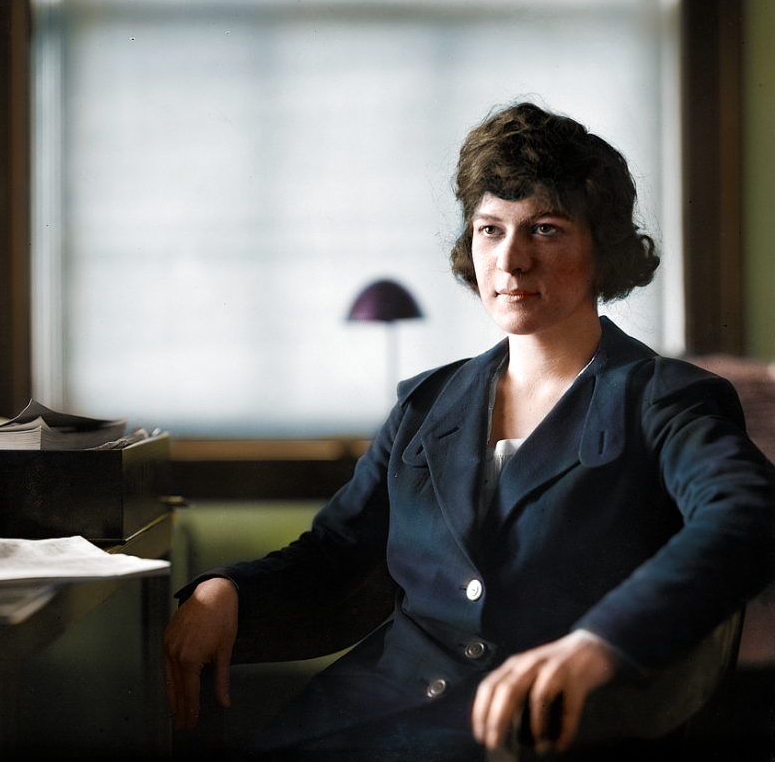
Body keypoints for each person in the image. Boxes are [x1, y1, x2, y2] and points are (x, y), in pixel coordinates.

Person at [163, 102, 775, 760]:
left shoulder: (666, 398)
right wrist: (228, 589)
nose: (510, 261)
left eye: (544, 229)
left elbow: (747, 512)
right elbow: (335, 550)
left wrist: (596, 645)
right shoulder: (425, 404)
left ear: (602, 247)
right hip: (365, 718)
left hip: (539, 731)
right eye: (490, 229)